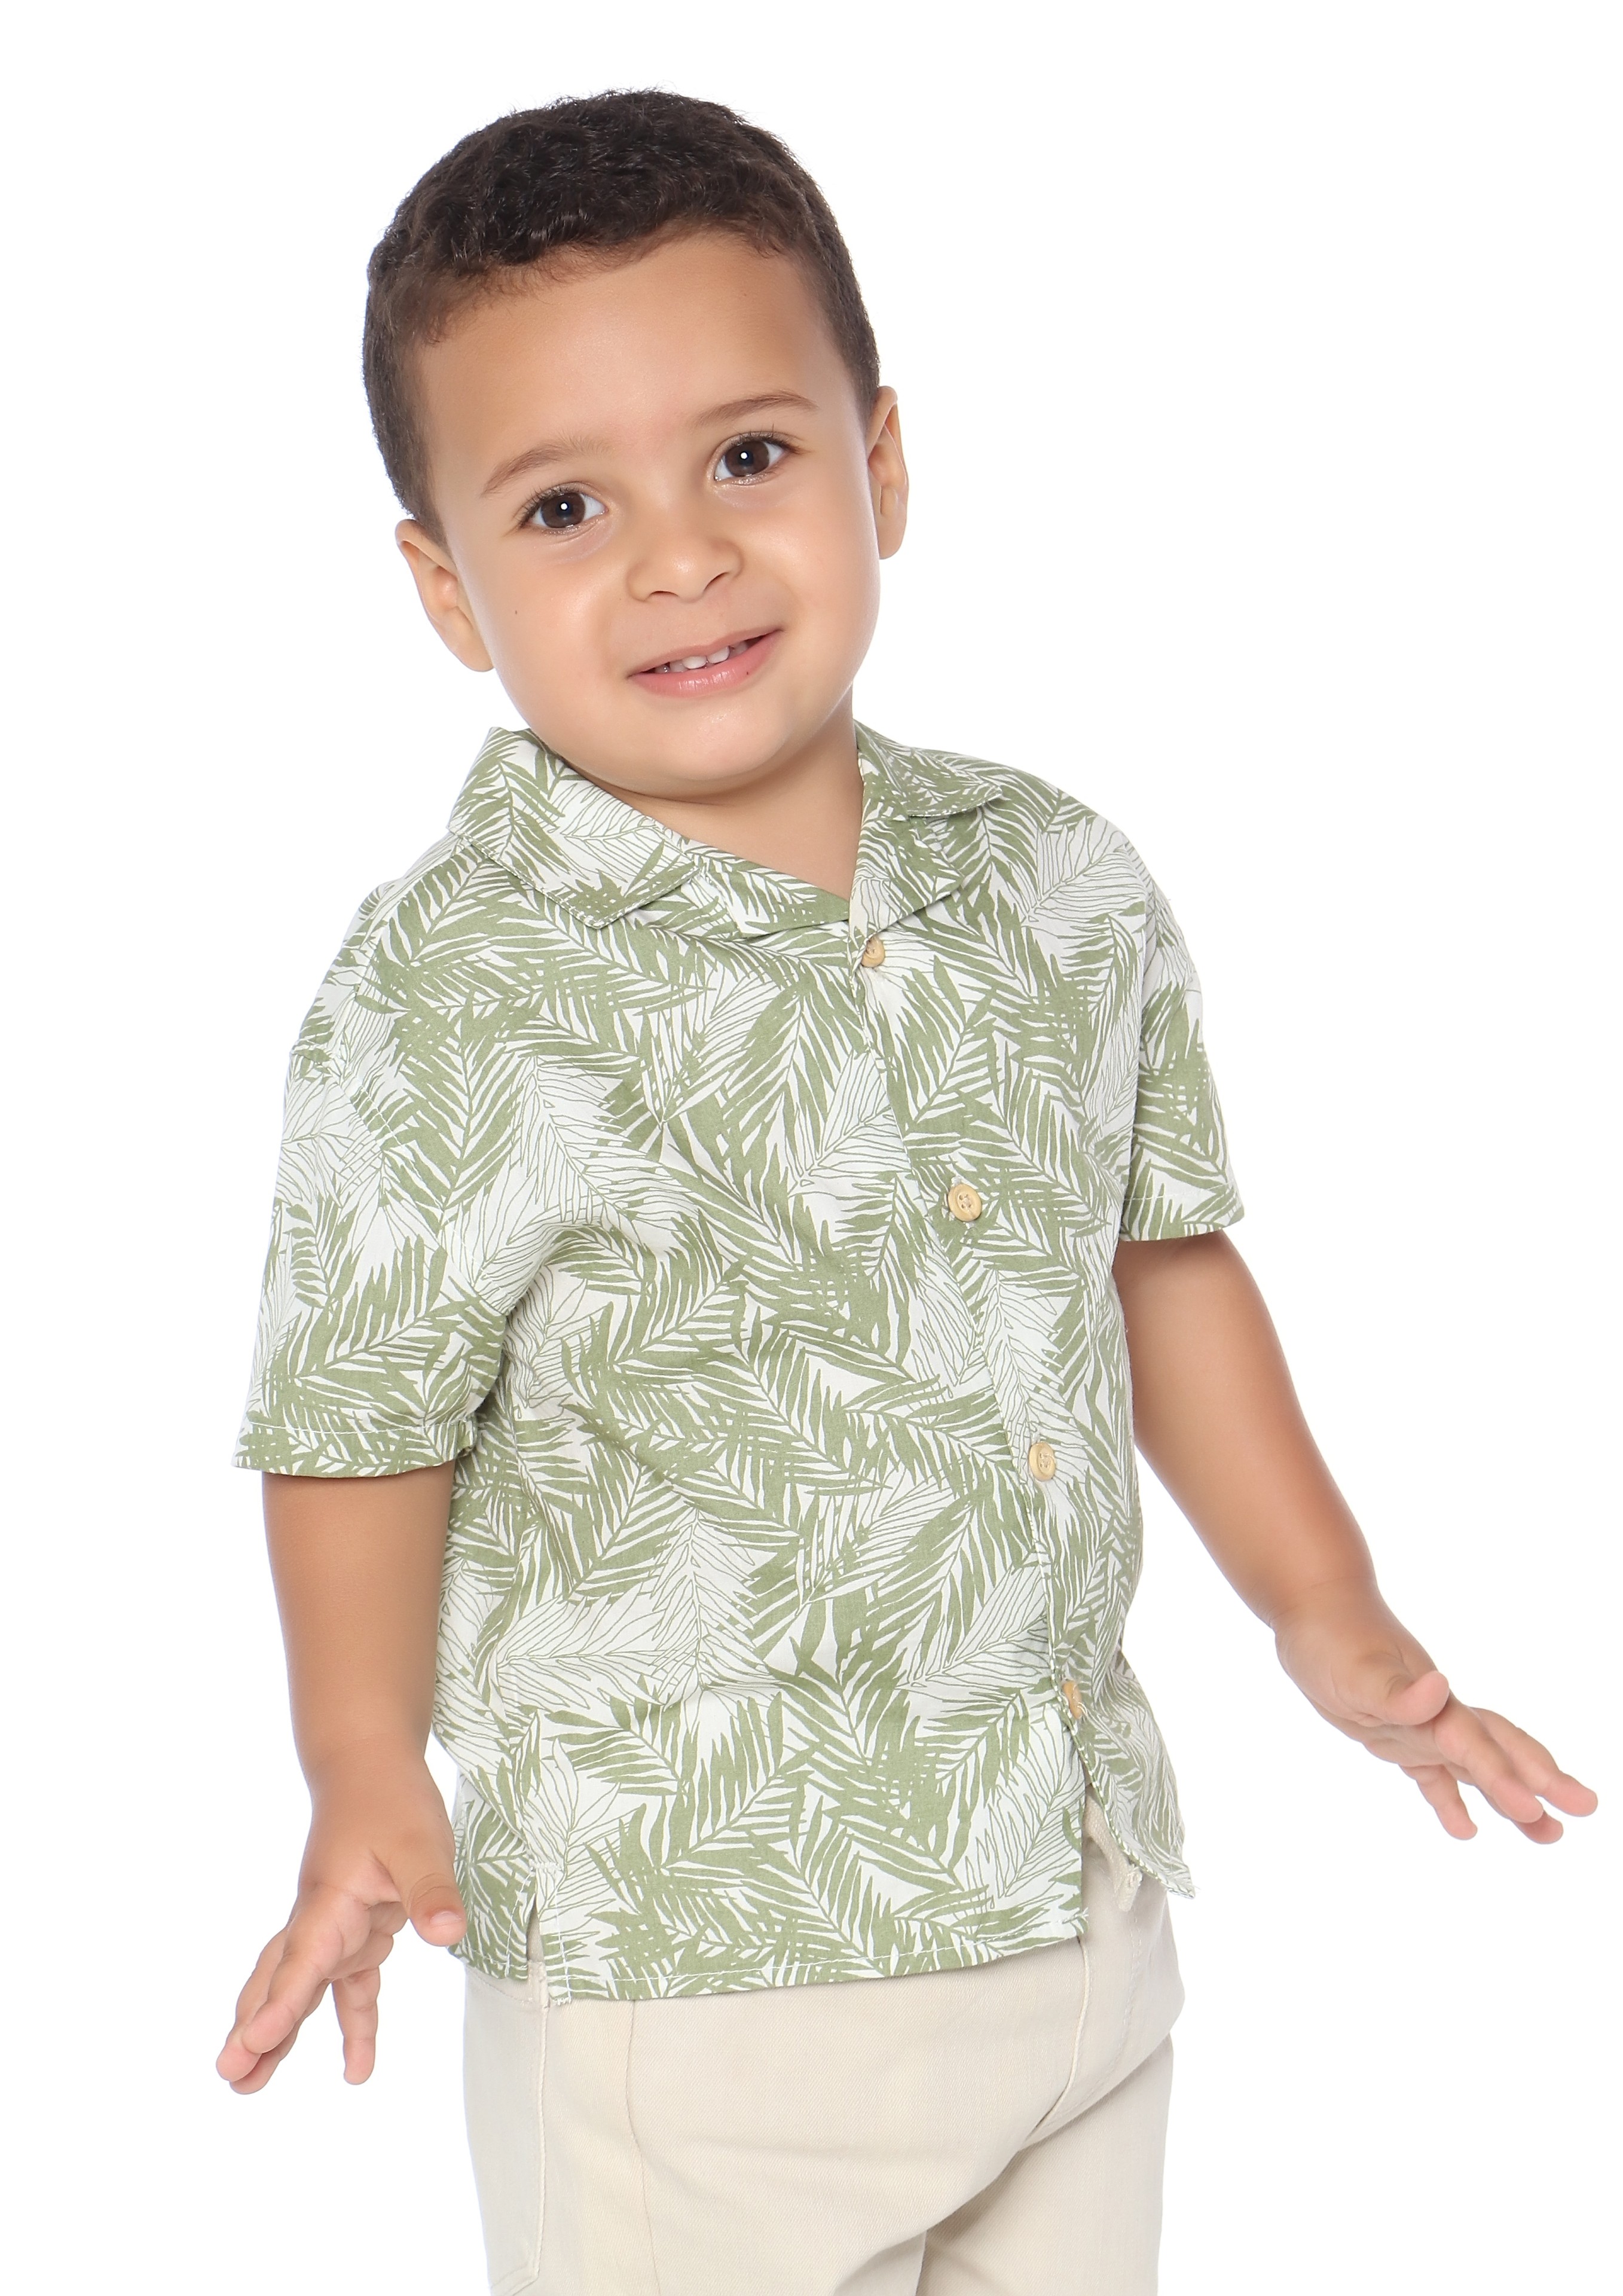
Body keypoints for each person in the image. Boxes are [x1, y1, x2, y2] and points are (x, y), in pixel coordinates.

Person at [216, 90, 1594, 2295]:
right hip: (692, 1986)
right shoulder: (451, 987)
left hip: (1069, 1904)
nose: (680, 556)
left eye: (748, 457)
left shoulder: (1056, 875)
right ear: (446, 589)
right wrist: (361, 1764)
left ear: (880, 464)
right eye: (564, 506)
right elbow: (358, 1417)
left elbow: (1153, 1259)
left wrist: (1321, 1608)